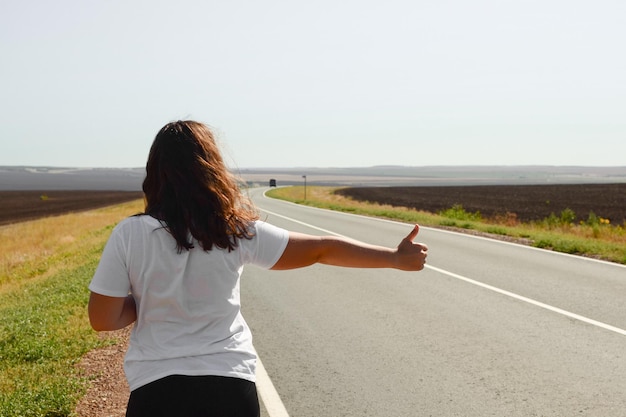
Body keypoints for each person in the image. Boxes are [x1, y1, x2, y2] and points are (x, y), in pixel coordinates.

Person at [88, 120, 428, 417]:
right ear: (212, 169)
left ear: (155, 173)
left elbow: (103, 319)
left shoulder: (130, 234)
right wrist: (394, 258)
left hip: (157, 391)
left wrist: (146, 299)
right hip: (230, 385)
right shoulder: (234, 231)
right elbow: (322, 249)